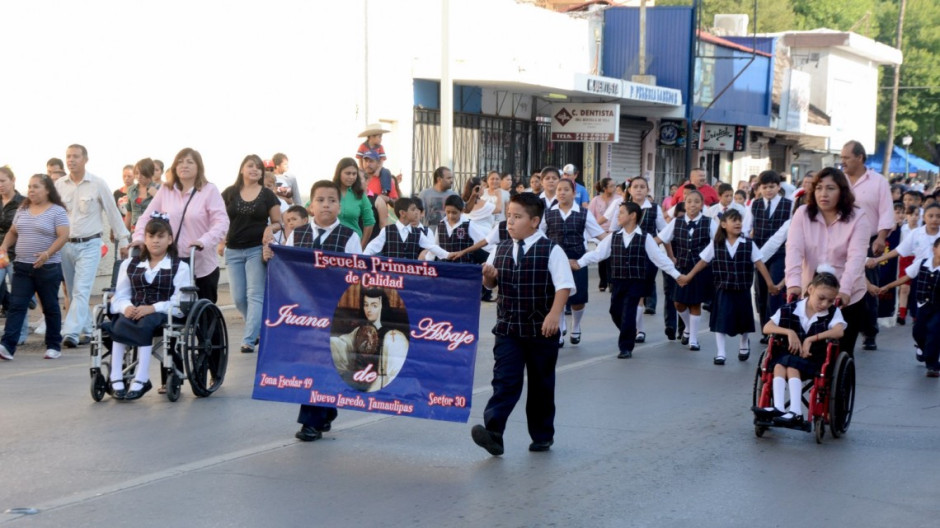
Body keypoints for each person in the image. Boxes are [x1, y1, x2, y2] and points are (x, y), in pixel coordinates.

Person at [471, 193, 574, 456]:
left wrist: (554, 315)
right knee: (505, 381)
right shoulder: (500, 248)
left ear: (535, 221)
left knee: (541, 384)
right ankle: (494, 433)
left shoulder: (552, 250)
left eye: (517, 217)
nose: (510, 222)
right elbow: (492, 284)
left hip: (542, 330)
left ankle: (542, 435)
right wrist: (489, 278)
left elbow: (564, 285)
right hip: (508, 329)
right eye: (508, 216)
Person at [283, 182, 364, 442]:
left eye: (331, 200)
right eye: (320, 200)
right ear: (311, 205)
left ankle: (311, 421)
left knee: (327, 361)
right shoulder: (297, 234)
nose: (326, 204)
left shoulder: (349, 236)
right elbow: (286, 267)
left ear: (339, 206)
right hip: (304, 310)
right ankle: (324, 411)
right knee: (311, 362)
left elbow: (358, 274)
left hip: (335, 309)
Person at [573, 201, 679, 358]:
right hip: (618, 281)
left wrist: (677, 275)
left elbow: (659, 258)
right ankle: (628, 331)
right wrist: (579, 263)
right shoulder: (613, 237)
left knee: (629, 311)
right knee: (615, 311)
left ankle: (625, 347)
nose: (617, 216)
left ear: (632, 216)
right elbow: (598, 254)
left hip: (636, 281)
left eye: (621, 212)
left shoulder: (645, 237)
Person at [785, 167, 870, 356]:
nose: (823, 194)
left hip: (847, 296)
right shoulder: (802, 214)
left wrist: (845, 290)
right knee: (806, 353)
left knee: (841, 354)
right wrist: (793, 285)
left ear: (842, 191)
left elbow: (856, 258)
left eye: (830, 188)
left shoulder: (858, 218)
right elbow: (793, 251)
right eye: (819, 188)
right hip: (811, 294)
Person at [107, 216, 191, 400]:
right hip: (135, 309)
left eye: (160, 236)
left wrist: (152, 308)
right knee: (120, 322)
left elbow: (180, 301)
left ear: (169, 239)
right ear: (144, 239)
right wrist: (126, 307)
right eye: (151, 236)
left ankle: (142, 377)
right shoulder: (130, 264)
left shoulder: (180, 267)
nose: (155, 241)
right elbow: (120, 295)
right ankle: (116, 376)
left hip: (163, 312)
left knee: (145, 323)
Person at [679, 209, 777, 365]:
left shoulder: (748, 244)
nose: (738, 223)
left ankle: (744, 343)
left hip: (742, 288)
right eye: (733, 220)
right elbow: (703, 261)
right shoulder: (716, 244)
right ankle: (721, 352)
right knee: (721, 320)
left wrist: (770, 284)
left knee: (743, 320)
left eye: (739, 220)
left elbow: (759, 263)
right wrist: (689, 276)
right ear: (723, 224)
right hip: (722, 288)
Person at [56, 144, 130, 348]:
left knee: (81, 289)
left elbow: (113, 212)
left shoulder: (97, 183)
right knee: (72, 291)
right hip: (66, 246)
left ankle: (70, 332)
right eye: (68, 156)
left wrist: (124, 240)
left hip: (90, 244)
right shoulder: (59, 185)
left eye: (76, 156)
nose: (71, 160)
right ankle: (87, 330)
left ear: (85, 159)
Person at [134, 148, 229, 304]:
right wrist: (139, 238)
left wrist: (204, 241)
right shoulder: (166, 190)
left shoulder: (209, 190)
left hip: (200, 263)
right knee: (174, 313)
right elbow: (146, 217)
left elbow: (221, 222)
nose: (184, 165)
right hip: (172, 262)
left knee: (203, 314)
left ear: (198, 167)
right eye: (180, 162)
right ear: (174, 167)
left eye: (190, 162)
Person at [753, 270, 846, 426]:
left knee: (788, 364)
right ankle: (779, 407)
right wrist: (789, 332)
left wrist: (812, 338)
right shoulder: (791, 308)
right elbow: (767, 327)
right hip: (790, 356)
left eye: (830, 301)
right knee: (779, 365)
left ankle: (796, 411)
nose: (824, 304)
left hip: (814, 359)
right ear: (810, 290)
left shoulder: (832, 313)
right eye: (821, 298)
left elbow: (839, 331)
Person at [0, 174, 69, 360]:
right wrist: (4, 246)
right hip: (22, 266)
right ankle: (7, 346)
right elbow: (13, 232)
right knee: (16, 305)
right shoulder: (23, 209)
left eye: (36, 187)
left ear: (47, 190)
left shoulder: (57, 211)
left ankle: (54, 345)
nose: (31, 190)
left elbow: (63, 236)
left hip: (47, 268)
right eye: (29, 186)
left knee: (50, 306)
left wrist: (47, 254)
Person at [221, 154, 282, 354]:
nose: (254, 169)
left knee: (255, 295)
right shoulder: (229, 193)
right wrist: (221, 241)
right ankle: (257, 329)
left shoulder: (267, 195)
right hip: (233, 250)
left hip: (257, 249)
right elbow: (220, 220)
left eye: (258, 167)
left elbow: (278, 222)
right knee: (238, 298)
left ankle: (248, 340)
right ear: (242, 169)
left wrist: (269, 229)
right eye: (250, 166)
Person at [840, 140, 895, 351]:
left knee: (867, 287)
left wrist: (881, 238)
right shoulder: (840, 180)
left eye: (847, 157)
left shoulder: (879, 182)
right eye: (841, 157)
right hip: (841, 238)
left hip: (870, 241)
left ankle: (869, 331)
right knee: (842, 282)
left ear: (860, 158)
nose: (842, 162)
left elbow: (886, 212)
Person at [541, 178, 605, 346]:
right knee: (557, 294)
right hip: (554, 259)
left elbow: (600, 235)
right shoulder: (548, 213)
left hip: (577, 259)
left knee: (578, 299)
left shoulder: (583, 213)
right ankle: (559, 329)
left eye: (566, 190)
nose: (561, 193)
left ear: (574, 194)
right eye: (559, 190)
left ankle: (576, 326)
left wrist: (616, 242)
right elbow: (539, 236)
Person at [654, 189, 717, 350]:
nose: (692, 205)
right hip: (681, 267)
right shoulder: (676, 222)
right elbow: (660, 238)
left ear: (702, 204)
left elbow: (718, 243)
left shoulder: (709, 222)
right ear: (684, 203)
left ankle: (693, 339)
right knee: (678, 303)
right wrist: (643, 244)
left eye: (696, 202)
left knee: (695, 303)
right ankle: (688, 328)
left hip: (701, 268)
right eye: (689, 202)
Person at [879, 238, 940, 374]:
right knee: (918, 331)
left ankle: (932, 365)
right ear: (934, 249)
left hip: (938, 308)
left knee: (934, 332)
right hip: (923, 305)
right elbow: (906, 277)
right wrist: (888, 286)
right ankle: (924, 348)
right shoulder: (922, 263)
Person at [330, 287, 408, 392]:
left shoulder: (393, 337)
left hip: (378, 387)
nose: (369, 310)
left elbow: (393, 373)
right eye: (366, 305)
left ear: (382, 307)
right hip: (357, 381)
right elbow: (344, 343)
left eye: (374, 305)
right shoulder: (359, 330)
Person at [749, 171, 792, 343]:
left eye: (772, 187)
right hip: (758, 253)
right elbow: (747, 228)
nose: (768, 190)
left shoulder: (789, 205)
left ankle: (776, 330)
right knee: (761, 292)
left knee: (774, 289)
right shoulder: (755, 204)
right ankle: (765, 330)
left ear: (778, 187)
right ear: (759, 188)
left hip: (780, 252)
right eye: (765, 187)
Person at [363, 197, 450, 260]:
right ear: (402, 213)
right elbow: (372, 247)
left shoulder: (418, 233)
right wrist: (361, 259)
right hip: (391, 278)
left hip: (411, 278)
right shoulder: (387, 231)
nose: (416, 212)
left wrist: (448, 255)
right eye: (413, 210)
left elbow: (432, 247)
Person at [0, 168, 25, 319]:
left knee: (19, 295)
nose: (0, 185)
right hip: (0, 253)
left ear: (13, 180)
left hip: (17, 253)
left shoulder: (23, 202)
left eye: (3, 181)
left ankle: (19, 333)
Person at [435, 195, 488, 263]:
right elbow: (436, 246)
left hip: (463, 266)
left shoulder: (468, 225)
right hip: (444, 266)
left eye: (454, 213)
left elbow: (483, 242)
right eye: (448, 212)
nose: (450, 216)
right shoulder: (440, 225)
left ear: (462, 211)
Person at [587, 177, 615, 292]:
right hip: (600, 232)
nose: (614, 188)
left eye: (615, 185)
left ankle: (612, 281)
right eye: (611, 186)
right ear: (605, 188)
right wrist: (596, 230)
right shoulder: (596, 200)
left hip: (614, 232)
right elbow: (590, 216)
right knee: (602, 258)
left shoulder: (618, 199)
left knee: (612, 258)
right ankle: (603, 281)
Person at [417, 166, 458, 235]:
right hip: (429, 235)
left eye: (452, 178)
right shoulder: (424, 194)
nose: (452, 181)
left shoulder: (453, 195)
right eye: (448, 178)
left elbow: (464, 210)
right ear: (439, 179)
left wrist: (473, 196)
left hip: (448, 235)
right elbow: (417, 214)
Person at [124, 158, 159, 232]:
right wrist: (125, 232)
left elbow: (166, 209)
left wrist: (156, 195)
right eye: (136, 173)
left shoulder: (159, 189)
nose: (139, 176)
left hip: (153, 231)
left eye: (142, 173)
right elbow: (129, 212)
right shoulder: (131, 189)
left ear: (150, 173)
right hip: (135, 230)